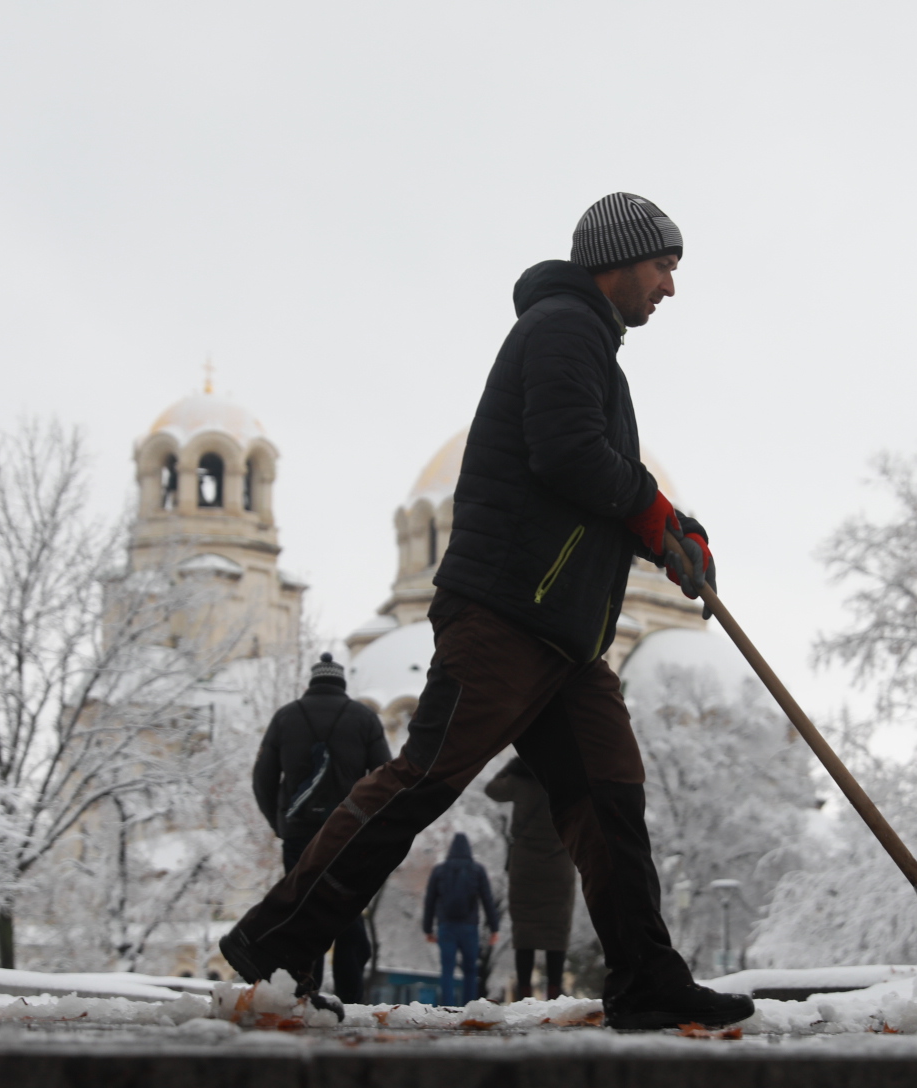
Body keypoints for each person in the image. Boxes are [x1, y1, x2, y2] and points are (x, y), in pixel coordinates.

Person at [221, 192, 754, 1031]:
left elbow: (590, 467)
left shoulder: (591, 345)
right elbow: (570, 454)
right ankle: (277, 939)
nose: (670, 288)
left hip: (564, 637)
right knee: (424, 778)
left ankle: (646, 977)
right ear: (617, 260)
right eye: (664, 267)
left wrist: (670, 530)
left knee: (607, 795)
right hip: (510, 614)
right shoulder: (562, 329)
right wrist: (656, 517)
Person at [247, 652, 390, 1005]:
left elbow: (262, 779)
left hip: (298, 833)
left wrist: (279, 823)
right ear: (341, 683)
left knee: (303, 910)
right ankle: (351, 997)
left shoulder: (285, 717)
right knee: (345, 908)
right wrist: (371, 825)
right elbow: (386, 775)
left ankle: (305, 993)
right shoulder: (364, 718)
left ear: (312, 682)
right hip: (348, 833)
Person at [486, 757, 575, 999]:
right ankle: (554, 992)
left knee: (524, 929)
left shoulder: (519, 781)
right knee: (557, 929)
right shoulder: (568, 780)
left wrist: (514, 764)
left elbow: (491, 788)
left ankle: (524, 992)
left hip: (525, 865)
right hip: (559, 864)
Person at [422, 833, 500, 1006]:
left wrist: (427, 929)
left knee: (447, 970)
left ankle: (447, 1006)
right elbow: (487, 900)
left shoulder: (439, 870)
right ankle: (468, 1006)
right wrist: (495, 928)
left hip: (446, 926)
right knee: (470, 970)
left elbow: (430, 901)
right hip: (469, 927)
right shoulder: (477, 870)